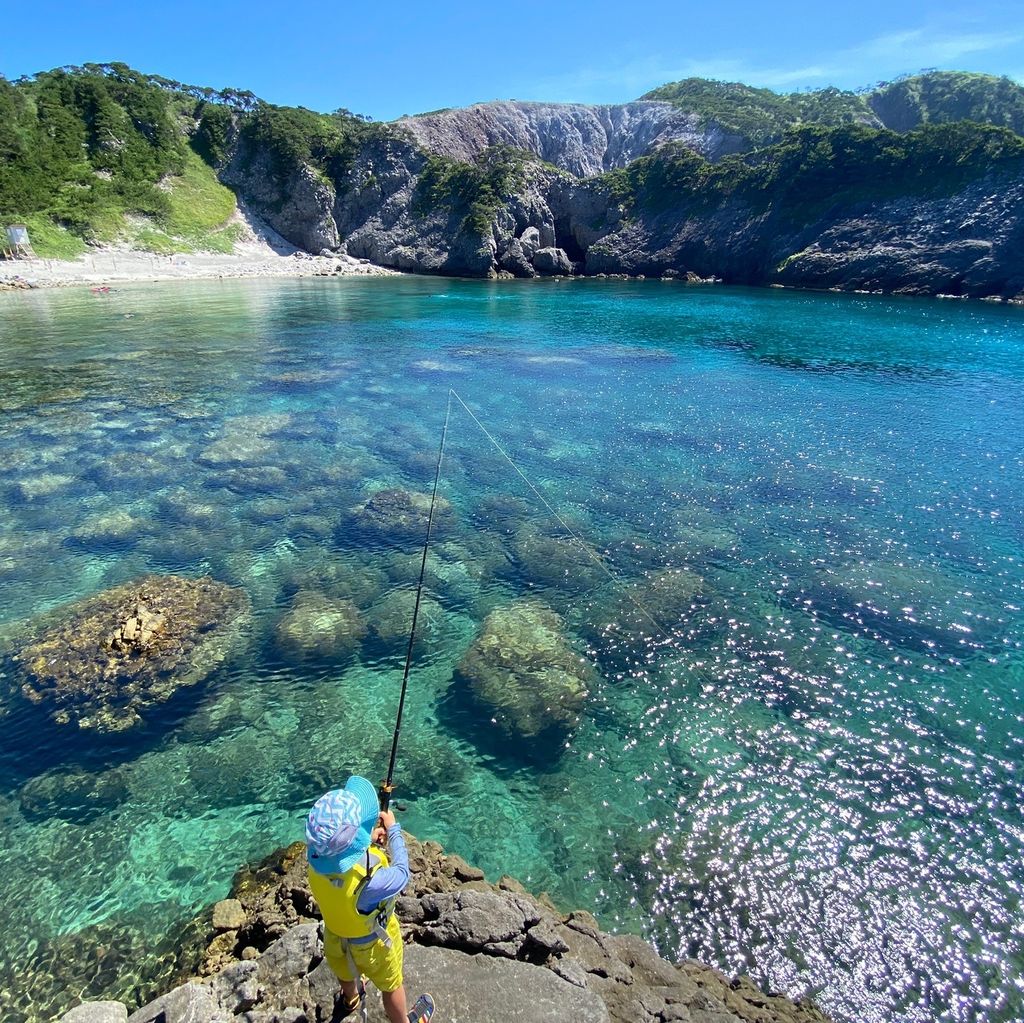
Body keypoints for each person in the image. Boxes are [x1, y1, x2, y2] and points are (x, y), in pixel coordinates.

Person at [305, 776, 434, 1023]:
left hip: (336, 938)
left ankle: (350, 998)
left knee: (345, 972)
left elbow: (338, 861)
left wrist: (366, 839)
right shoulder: (370, 881)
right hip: (373, 945)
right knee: (392, 985)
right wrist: (393, 830)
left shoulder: (315, 860)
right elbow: (402, 874)